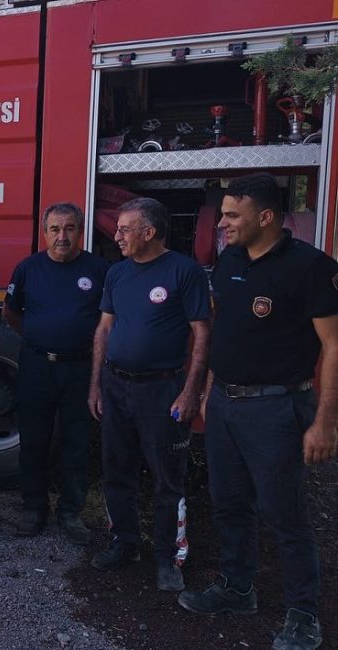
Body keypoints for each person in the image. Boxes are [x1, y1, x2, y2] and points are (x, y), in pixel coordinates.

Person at [177, 173, 338, 650]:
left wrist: (325, 420)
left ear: (265, 217)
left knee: (284, 513)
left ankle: (303, 615)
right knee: (228, 502)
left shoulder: (311, 268)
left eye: (231, 215)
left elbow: (333, 346)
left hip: (277, 407)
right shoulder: (228, 260)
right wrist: (208, 390)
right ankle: (236, 587)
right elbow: (227, 332)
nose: (221, 223)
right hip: (226, 403)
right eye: (222, 213)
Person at [87, 197, 210, 593]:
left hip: (163, 390)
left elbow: (202, 334)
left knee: (166, 478)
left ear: (150, 232)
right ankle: (123, 543)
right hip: (116, 386)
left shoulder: (183, 271)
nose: (117, 235)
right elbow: (104, 329)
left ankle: (167, 558)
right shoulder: (117, 273)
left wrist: (191, 392)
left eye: (125, 228)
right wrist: (96, 384)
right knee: (117, 471)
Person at [2, 203, 110, 544]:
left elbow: (108, 322)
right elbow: (11, 313)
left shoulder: (98, 269)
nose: (62, 236)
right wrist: (40, 338)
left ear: (79, 230)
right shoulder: (28, 268)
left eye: (69, 228)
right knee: (33, 440)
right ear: (44, 232)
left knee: (76, 442)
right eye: (55, 229)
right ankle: (33, 508)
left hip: (80, 367)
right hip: (36, 366)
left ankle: (71, 512)